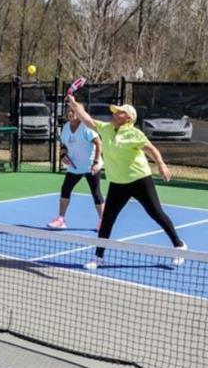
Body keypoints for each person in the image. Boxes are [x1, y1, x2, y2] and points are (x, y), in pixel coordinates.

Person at [66, 99, 186, 269]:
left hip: (140, 180)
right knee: (107, 219)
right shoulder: (106, 129)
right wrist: (73, 103)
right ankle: (98, 257)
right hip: (118, 183)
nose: (114, 113)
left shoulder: (134, 134)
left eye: (119, 112)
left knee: (156, 213)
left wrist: (161, 164)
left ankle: (179, 246)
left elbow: (152, 149)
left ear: (128, 118)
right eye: (115, 111)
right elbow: (87, 119)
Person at [47, 105, 105, 231]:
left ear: (80, 113)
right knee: (65, 190)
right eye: (68, 111)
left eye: (73, 111)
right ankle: (61, 219)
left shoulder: (86, 127)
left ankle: (103, 222)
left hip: (90, 166)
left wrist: (95, 162)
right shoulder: (66, 128)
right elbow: (63, 145)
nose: (70, 113)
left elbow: (98, 143)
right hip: (74, 167)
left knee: (96, 192)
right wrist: (63, 155)